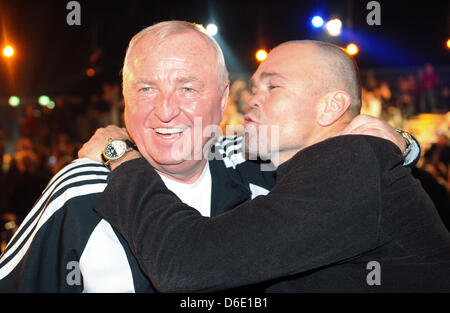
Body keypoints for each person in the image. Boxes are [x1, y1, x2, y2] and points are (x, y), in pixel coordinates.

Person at [0, 21, 416, 292]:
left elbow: (334, 143)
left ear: (221, 102)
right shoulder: (79, 190)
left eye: (187, 88)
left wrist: (398, 140)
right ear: (123, 100)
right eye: (146, 89)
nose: (164, 110)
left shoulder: (258, 163)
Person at [86, 40, 450, 292]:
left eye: (273, 87)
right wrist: (405, 142)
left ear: (331, 107)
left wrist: (121, 155)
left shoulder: (351, 163)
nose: (252, 100)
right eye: (253, 87)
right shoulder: (313, 166)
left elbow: (185, 263)